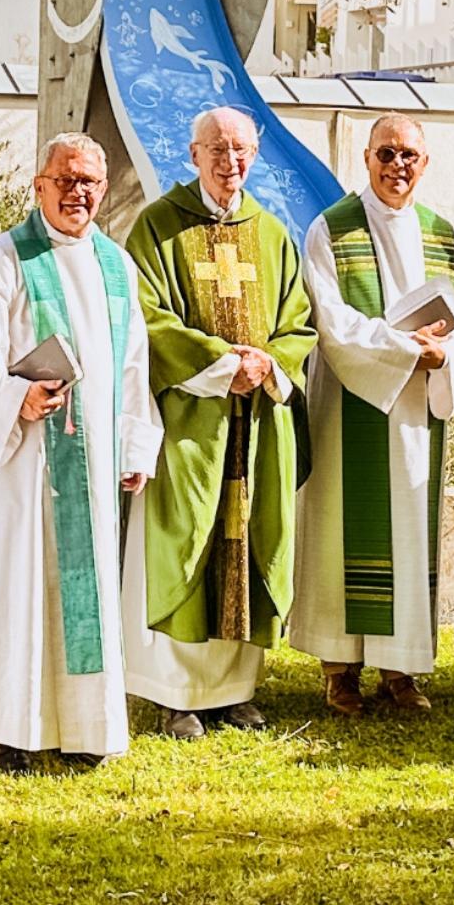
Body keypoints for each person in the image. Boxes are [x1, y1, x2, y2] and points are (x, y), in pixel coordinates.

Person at [0, 134, 161, 768]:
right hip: (24, 459)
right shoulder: (2, 258)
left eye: (90, 183)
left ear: (103, 191)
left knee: (88, 587)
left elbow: (134, 365)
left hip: (94, 459)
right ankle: (14, 734)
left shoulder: (115, 264)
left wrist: (134, 444)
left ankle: (85, 730)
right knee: (19, 589)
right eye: (67, 180)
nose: (79, 192)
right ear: (39, 185)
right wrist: (12, 400)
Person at [122, 106, 316, 739]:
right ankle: (176, 692)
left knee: (250, 537)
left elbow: (298, 321)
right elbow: (144, 316)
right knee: (188, 540)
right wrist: (216, 364)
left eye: (241, 150)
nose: (230, 162)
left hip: (256, 420)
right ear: (193, 154)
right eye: (218, 149)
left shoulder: (273, 234)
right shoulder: (157, 227)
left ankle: (233, 690)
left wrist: (266, 362)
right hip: (190, 418)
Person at [294, 113, 454, 716]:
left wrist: (447, 352)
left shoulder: (444, 235)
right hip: (352, 406)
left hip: (419, 409)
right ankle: (339, 668)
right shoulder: (331, 229)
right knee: (343, 531)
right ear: (367, 157)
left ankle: (402, 670)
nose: (398, 165)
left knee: (410, 537)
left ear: (425, 164)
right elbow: (330, 318)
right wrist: (406, 349)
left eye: (409, 156)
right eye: (387, 153)